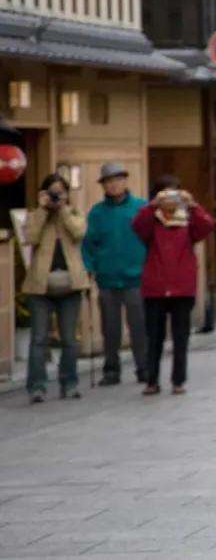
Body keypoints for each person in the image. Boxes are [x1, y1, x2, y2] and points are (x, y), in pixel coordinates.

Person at [132, 176, 214, 396]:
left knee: (181, 337)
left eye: (174, 194)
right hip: (155, 286)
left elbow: (207, 226)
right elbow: (137, 226)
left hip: (182, 285)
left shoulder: (187, 219)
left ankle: (178, 380)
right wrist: (152, 206)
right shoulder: (151, 219)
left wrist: (193, 204)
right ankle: (152, 380)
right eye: (165, 194)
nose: (170, 199)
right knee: (154, 336)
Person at [23, 174, 88, 403]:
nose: (55, 195)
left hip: (70, 284)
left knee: (69, 338)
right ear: (43, 193)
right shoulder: (35, 214)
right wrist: (42, 211)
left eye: (60, 191)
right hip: (41, 286)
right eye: (51, 191)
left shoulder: (75, 213)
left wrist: (61, 209)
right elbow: (29, 237)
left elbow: (79, 232)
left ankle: (69, 383)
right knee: (39, 338)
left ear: (67, 194)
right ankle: (36, 387)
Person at [81, 163, 148, 386]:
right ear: (103, 186)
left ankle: (144, 367)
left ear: (125, 181)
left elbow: (151, 239)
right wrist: (89, 267)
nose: (113, 184)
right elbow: (89, 244)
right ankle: (111, 369)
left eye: (117, 179)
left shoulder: (141, 207)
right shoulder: (97, 212)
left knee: (138, 325)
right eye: (109, 181)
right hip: (107, 278)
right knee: (110, 328)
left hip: (136, 277)